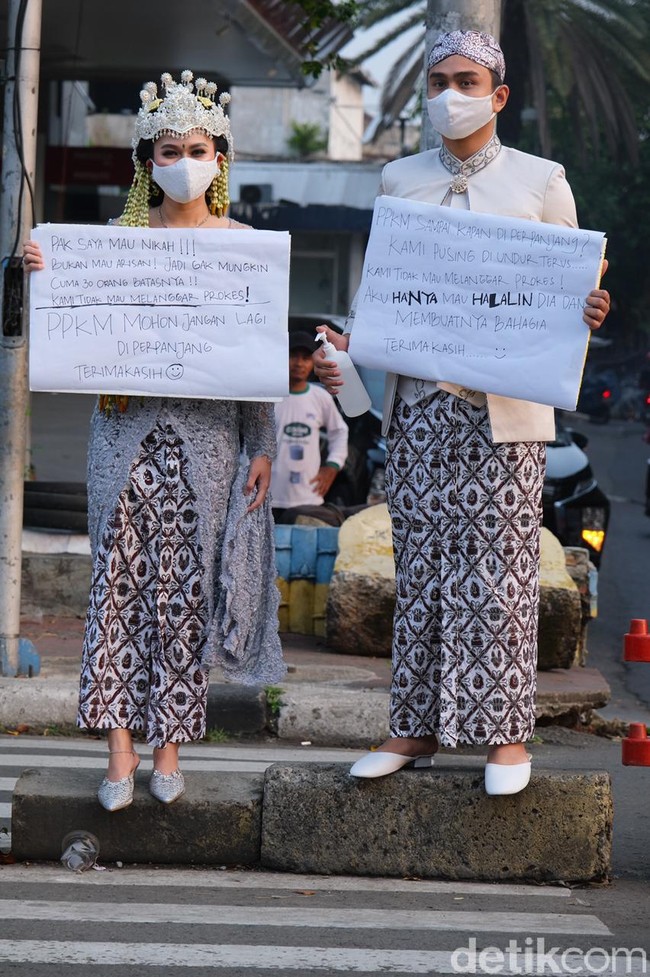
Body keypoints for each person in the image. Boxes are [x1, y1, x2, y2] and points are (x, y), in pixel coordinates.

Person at [314, 31, 611, 795]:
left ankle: (506, 738)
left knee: (500, 573)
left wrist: (589, 307)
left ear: (498, 94)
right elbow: (383, 294)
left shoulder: (541, 181)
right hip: (418, 408)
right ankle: (410, 730)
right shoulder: (399, 177)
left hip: (502, 413)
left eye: (467, 79)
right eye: (440, 79)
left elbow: (566, 289)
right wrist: (348, 351)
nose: (452, 92)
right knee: (420, 569)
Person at [24, 70, 284, 811]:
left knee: (186, 594)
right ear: (146, 161)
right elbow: (65, 337)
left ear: (220, 158)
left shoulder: (244, 249)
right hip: (123, 441)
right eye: (167, 149)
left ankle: (169, 749)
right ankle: (118, 751)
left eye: (196, 148)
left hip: (206, 447)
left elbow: (256, 364)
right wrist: (44, 279)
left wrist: (259, 445)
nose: (182, 161)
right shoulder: (108, 246)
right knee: (118, 587)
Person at [271, 331, 349, 525]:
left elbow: (339, 432)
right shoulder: (268, 397)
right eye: (293, 356)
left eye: (305, 358)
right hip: (268, 496)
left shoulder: (320, 397)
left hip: (308, 497)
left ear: (313, 362)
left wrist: (332, 466)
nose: (298, 363)